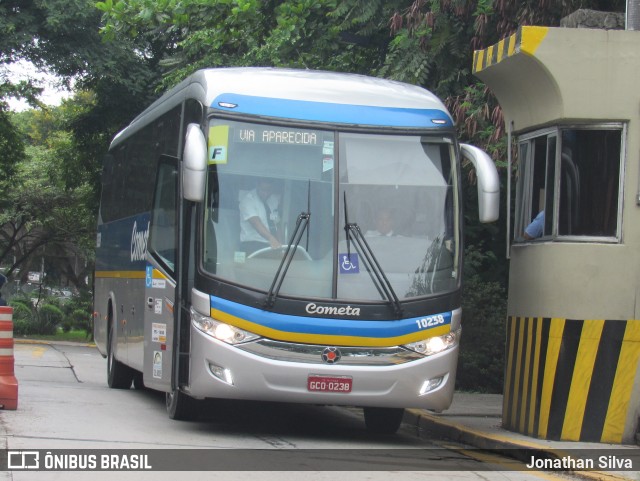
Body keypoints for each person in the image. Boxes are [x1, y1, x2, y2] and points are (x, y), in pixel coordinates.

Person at [239, 179, 282, 253]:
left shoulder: (273, 199)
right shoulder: (248, 200)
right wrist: (271, 239)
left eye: (268, 190)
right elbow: (256, 224)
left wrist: (282, 247)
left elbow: (277, 225)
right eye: (263, 190)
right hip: (252, 245)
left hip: (271, 245)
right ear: (257, 186)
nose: (265, 194)